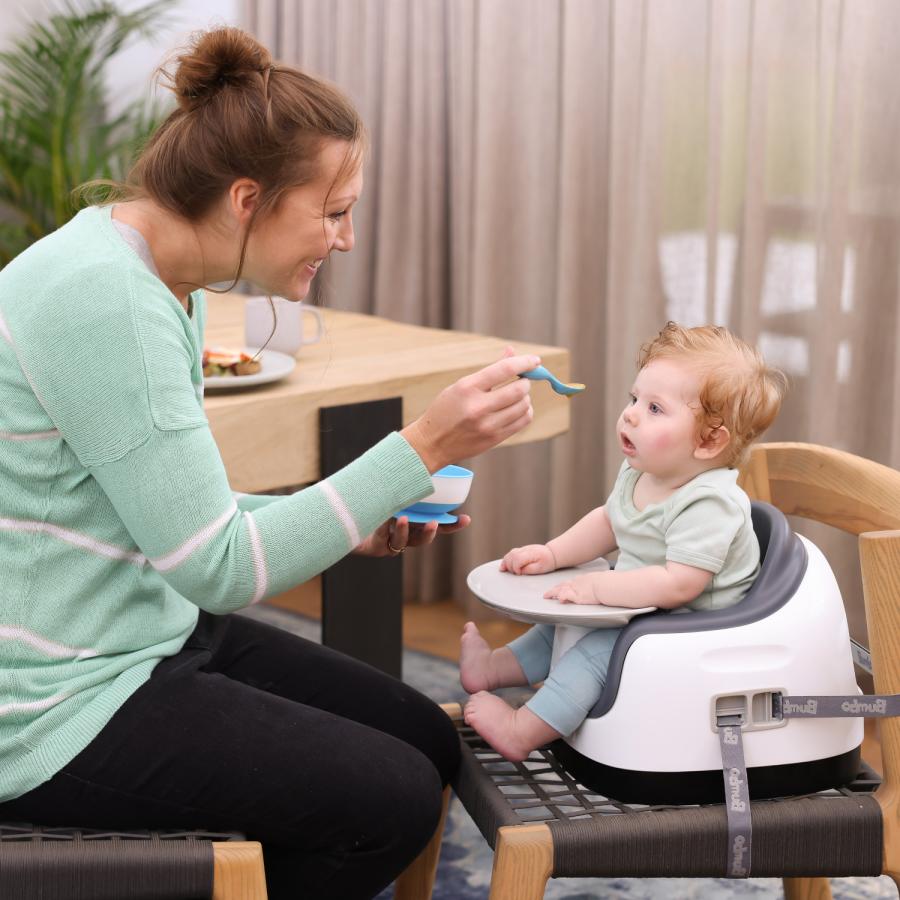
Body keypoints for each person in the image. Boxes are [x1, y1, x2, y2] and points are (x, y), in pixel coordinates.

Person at [0, 27, 540, 900]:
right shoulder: (105, 300)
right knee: (389, 799)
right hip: (51, 705)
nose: (348, 238)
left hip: (140, 632)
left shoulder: (150, 271)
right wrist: (425, 446)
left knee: (427, 740)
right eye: (333, 211)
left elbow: (181, 511)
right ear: (248, 198)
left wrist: (348, 520)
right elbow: (217, 567)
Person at [460, 322, 787, 762]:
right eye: (635, 399)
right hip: (648, 604)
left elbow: (679, 585)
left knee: (595, 651)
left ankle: (524, 730)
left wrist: (595, 589)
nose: (631, 414)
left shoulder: (711, 502)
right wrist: (553, 553)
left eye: (655, 409)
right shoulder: (641, 472)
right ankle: (493, 668)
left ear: (709, 440)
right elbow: (609, 523)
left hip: (694, 628)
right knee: (564, 623)